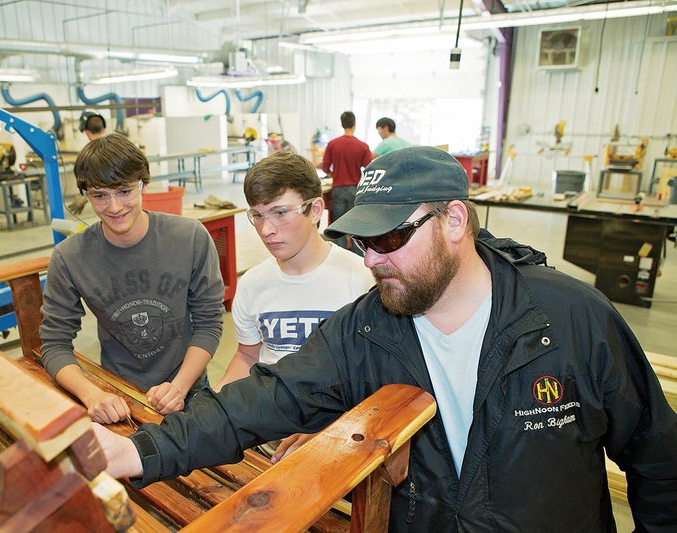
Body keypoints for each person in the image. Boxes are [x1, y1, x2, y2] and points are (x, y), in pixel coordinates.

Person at [93, 146, 677, 531]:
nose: (372, 259)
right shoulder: (367, 326)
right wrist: (138, 452)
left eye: (391, 238)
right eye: (362, 242)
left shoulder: (569, 319)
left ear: (454, 222)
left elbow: (658, 463)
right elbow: (258, 401)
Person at [40, 133, 224, 422]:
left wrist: (179, 387)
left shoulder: (190, 237)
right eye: (99, 195)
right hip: (117, 394)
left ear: (143, 184)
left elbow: (209, 322)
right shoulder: (69, 257)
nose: (114, 207)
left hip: (188, 386)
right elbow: (53, 343)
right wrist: (91, 394)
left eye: (124, 191)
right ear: (86, 194)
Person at [215, 151, 373, 459]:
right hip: (269, 439)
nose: (266, 230)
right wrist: (217, 403)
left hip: (339, 442)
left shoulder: (362, 280)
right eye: (257, 215)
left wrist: (330, 428)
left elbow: (373, 378)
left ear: (315, 210)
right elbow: (248, 356)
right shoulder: (252, 285)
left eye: (280, 213)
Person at [321, 111, 372, 253]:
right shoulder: (363, 146)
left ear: (342, 124)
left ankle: (340, 254)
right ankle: (357, 255)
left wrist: (335, 174)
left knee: (339, 225)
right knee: (356, 225)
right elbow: (369, 169)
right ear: (354, 124)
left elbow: (325, 167)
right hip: (356, 190)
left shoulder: (333, 144)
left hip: (338, 189)